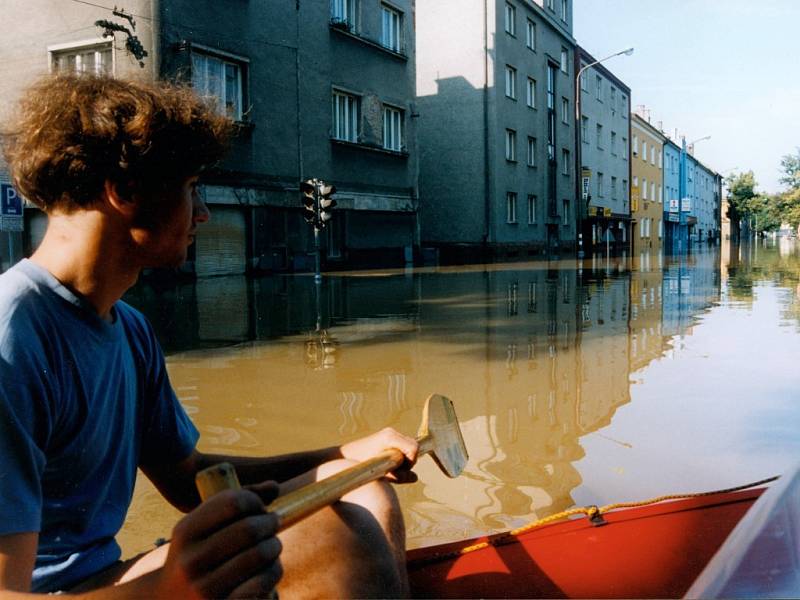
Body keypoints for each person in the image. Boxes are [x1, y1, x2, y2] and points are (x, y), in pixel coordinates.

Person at [0, 73, 419, 598]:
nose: (204, 213)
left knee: (368, 496)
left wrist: (344, 453)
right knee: (344, 536)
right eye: (192, 189)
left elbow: (190, 481)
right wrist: (169, 591)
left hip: (108, 580)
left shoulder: (129, 329)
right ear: (125, 191)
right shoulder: (10, 337)